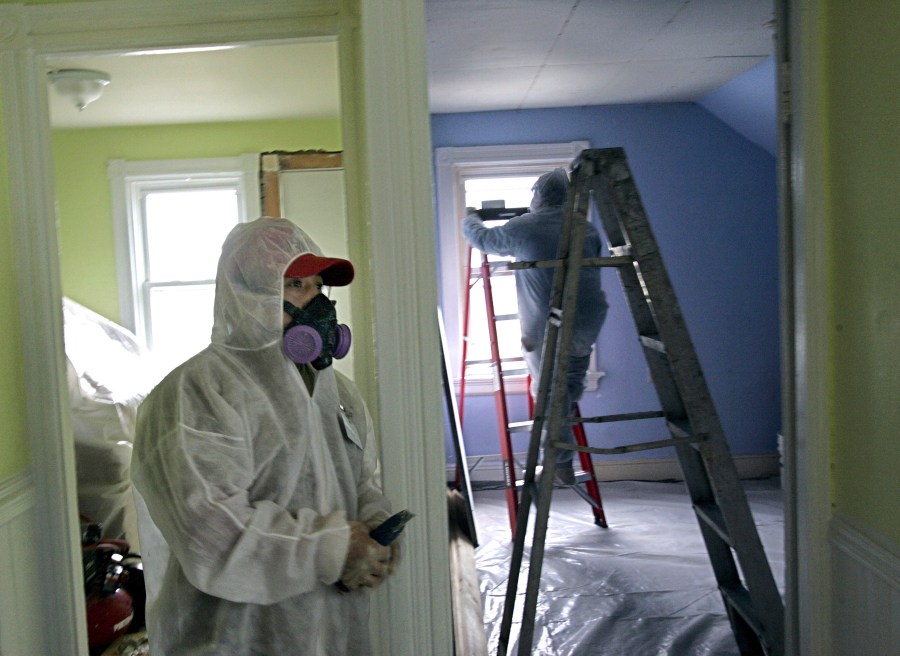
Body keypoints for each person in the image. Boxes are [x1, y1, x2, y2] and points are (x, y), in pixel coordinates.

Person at [131, 217, 400, 655]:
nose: (315, 302)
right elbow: (211, 534)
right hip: (233, 639)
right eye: (295, 285)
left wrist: (373, 529)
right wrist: (333, 548)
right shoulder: (194, 395)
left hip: (332, 632)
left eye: (317, 285)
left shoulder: (337, 390)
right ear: (245, 297)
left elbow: (363, 481)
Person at [462, 168, 608, 485]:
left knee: (550, 394)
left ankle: (560, 462)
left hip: (548, 324)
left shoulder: (525, 227)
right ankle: (563, 449)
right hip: (589, 318)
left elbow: (483, 239)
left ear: (538, 196)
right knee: (568, 385)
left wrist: (470, 217)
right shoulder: (586, 228)